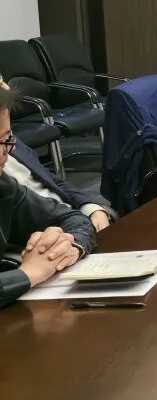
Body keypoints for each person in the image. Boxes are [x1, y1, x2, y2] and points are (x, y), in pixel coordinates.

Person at [0, 87, 96, 307]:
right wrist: (29, 273)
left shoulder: (3, 185)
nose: (7, 152)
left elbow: (73, 218)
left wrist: (67, 247)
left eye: (7, 138)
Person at [0, 76, 114, 232]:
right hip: (48, 234)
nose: (6, 87)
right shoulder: (8, 185)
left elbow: (51, 179)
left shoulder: (10, 141)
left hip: (71, 219)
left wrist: (91, 208)